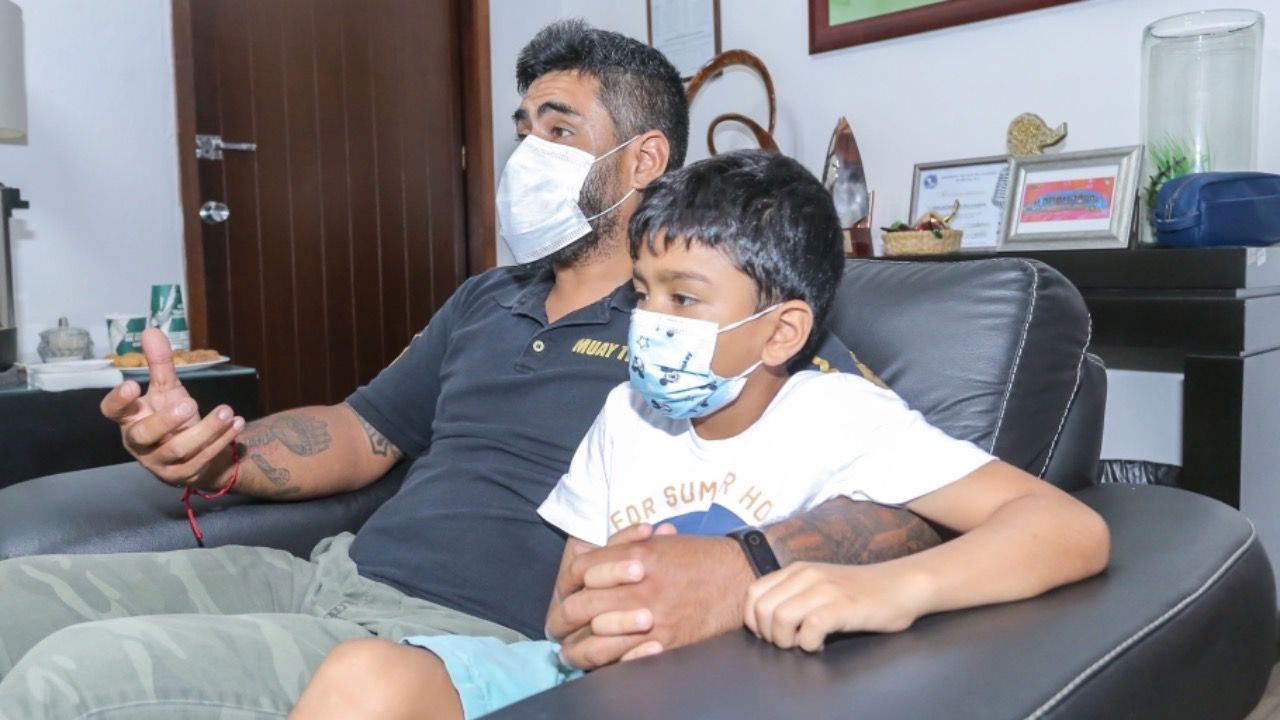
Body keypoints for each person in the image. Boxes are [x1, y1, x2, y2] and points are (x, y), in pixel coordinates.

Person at [0, 21, 935, 720]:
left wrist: (741, 568)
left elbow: (913, 492)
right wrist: (221, 453)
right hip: (323, 577)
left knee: (69, 681)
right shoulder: (488, 297)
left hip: (451, 640)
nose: (525, 153)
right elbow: (361, 433)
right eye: (522, 126)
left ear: (643, 159)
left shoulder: (712, 325)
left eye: (557, 129)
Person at [287, 150, 1110, 720]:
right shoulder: (626, 412)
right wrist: (584, 619)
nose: (648, 322)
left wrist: (892, 591)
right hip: (587, 684)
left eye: (683, 300)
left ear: (781, 332)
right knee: (364, 676)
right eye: (643, 294)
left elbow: (1066, 529)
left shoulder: (840, 416)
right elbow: (563, 611)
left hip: (737, 694)